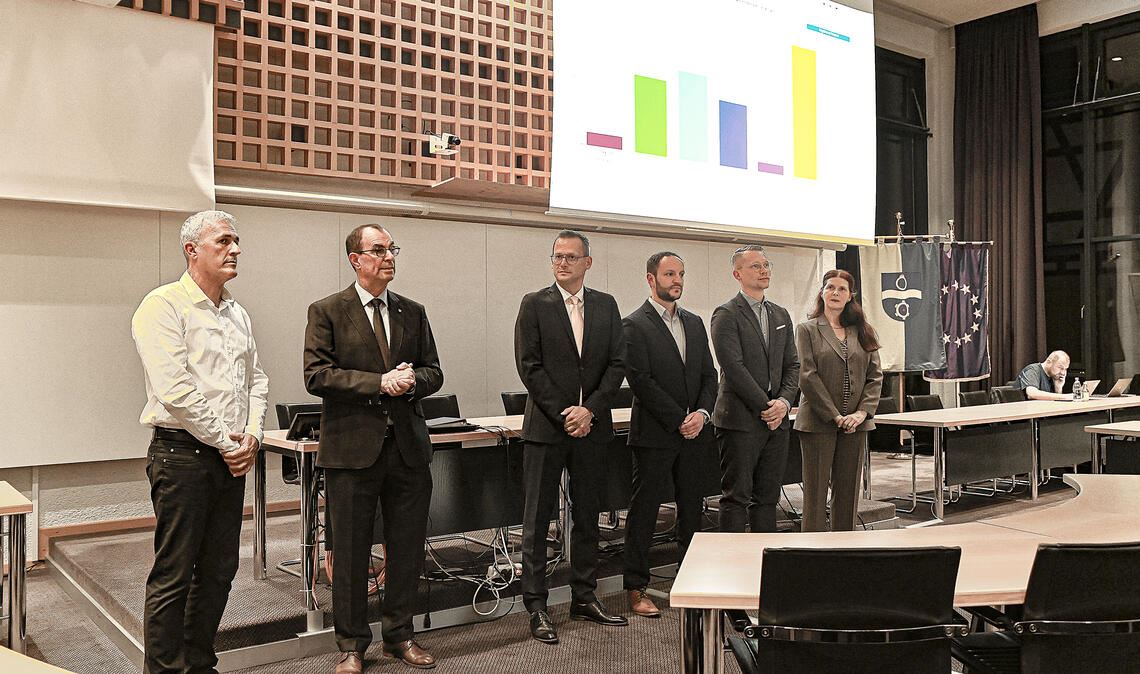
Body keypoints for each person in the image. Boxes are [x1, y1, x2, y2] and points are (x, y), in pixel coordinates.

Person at [131, 210, 269, 674]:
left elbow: (257, 381)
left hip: (228, 457)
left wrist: (251, 435)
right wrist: (227, 442)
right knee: (174, 574)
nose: (235, 250)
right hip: (181, 456)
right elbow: (176, 390)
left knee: (218, 571)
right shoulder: (163, 305)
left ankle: (200, 663)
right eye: (223, 242)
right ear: (192, 250)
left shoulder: (237, 313)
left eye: (237, 241)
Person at [304, 224, 443, 673]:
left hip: (406, 448)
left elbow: (433, 372)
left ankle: (399, 637)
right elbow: (317, 375)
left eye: (392, 249)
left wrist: (409, 381)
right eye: (378, 250)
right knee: (349, 550)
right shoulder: (327, 310)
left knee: (406, 547)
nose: (388, 257)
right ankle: (350, 645)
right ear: (355, 259)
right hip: (352, 449)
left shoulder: (413, 311)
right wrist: (378, 383)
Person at [514, 230, 627, 644]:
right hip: (548, 428)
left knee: (587, 516)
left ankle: (584, 596)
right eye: (557, 257)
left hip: (593, 428)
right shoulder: (535, 304)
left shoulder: (606, 305)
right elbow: (529, 367)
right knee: (537, 520)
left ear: (587, 263)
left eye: (571, 257)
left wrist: (590, 410)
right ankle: (537, 606)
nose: (562, 263)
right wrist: (566, 414)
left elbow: (617, 364)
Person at [621, 252, 717, 618]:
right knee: (644, 513)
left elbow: (710, 375)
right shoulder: (633, 324)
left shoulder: (694, 323)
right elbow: (640, 382)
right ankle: (635, 587)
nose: (677, 280)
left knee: (692, 510)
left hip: (695, 434)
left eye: (681, 273)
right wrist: (679, 418)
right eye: (669, 274)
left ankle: (690, 578)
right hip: (655, 435)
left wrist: (702, 414)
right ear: (651, 279)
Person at [710, 245, 800, 534]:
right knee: (736, 498)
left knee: (768, 498)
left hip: (776, 421)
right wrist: (768, 407)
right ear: (737, 274)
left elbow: (793, 366)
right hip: (741, 420)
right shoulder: (726, 314)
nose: (764, 270)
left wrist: (784, 403)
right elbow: (733, 368)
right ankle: (733, 568)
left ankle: (764, 561)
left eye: (766, 265)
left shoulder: (780, 314)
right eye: (755, 266)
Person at [794, 269, 883, 532]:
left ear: (850, 296)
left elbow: (875, 376)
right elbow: (807, 376)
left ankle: (844, 548)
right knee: (816, 495)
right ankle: (812, 553)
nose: (835, 292)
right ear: (822, 293)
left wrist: (861, 414)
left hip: (856, 425)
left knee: (848, 493)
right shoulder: (807, 330)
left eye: (841, 289)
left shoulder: (863, 331)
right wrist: (835, 415)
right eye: (830, 287)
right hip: (818, 423)